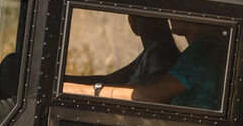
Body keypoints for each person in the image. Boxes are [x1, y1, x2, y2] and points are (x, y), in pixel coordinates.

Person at [63, 19, 225, 110]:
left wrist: (81, 91)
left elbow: (149, 94)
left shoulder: (203, 51)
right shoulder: (198, 50)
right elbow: (115, 79)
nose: (171, 16)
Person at [68, 15, 179, 87]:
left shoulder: (159, 54)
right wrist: (66, 80)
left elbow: (148, 92)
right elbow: (111, 79)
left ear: (133, 22)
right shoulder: (149, 54)